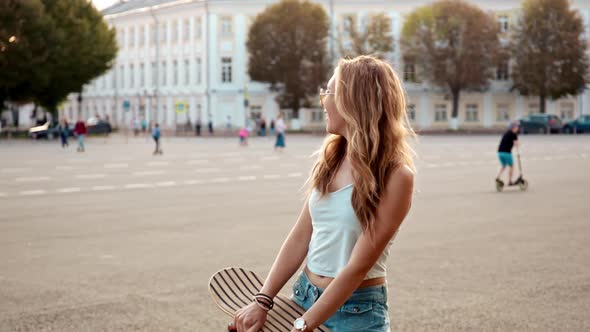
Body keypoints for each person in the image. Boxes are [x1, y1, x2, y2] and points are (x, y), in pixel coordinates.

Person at [233, 55, 415, 332]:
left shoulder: (396, 177)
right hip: (304, 298)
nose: (322, 100)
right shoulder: (331, 160)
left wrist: (302, 326)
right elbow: (300, 236)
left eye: (328, 92)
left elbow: (357, 267)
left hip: (357, 313)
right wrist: (263, 300)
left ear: (354, 102)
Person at [496, 121, 520, 185]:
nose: (518, 128)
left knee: (503, 166)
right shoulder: (514, 134)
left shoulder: (506, 133)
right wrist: (518, 145)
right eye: (517, 127)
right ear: (513, 128)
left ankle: (498, 177)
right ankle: (510, 181)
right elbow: (516, 144)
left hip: (500, 152)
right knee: (511, 166)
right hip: (507, 153)